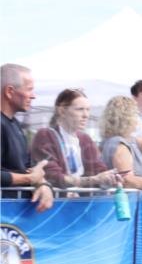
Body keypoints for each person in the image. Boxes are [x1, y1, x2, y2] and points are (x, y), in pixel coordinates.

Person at [31, 89, 117, 189]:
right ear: (62, 111)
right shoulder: (45, 135)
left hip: (83, 202)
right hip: (58, 203)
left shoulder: (85, 139)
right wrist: (94, 179)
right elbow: (53, 177)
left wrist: (111, 177)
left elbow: (99, 169)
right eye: (80, 109)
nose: (86, 115)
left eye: (88, 109)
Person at [0, 63, 54, 212]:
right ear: (10, 91)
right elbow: (29, 176)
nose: (33, 95)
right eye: (29, 89)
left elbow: (29, 168)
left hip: (15, 220)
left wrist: (43, 184)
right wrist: (29, 179)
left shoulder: (15, 125)